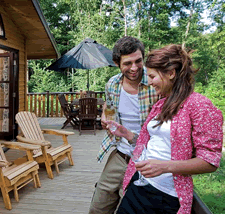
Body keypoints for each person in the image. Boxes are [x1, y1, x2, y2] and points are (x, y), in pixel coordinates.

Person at [108, 44, 223, 214]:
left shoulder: (199, 105)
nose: (150, 81)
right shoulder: (161, 104)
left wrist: (164, 167)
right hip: (138, 185)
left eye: (153, 76)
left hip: (164, 196)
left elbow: (210, 162)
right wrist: (125, 133)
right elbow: (151, 142)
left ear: (171, 73)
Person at [88, 36, 159, 214]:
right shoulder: (112, 84)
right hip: (119, 153)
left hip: (146, 159)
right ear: (117, 63)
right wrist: (105, 112)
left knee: (127, 208)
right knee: (98, 206)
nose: (134, 68)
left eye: (138, 61)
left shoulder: (155, 84)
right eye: (128, 63)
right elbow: (109, 103)